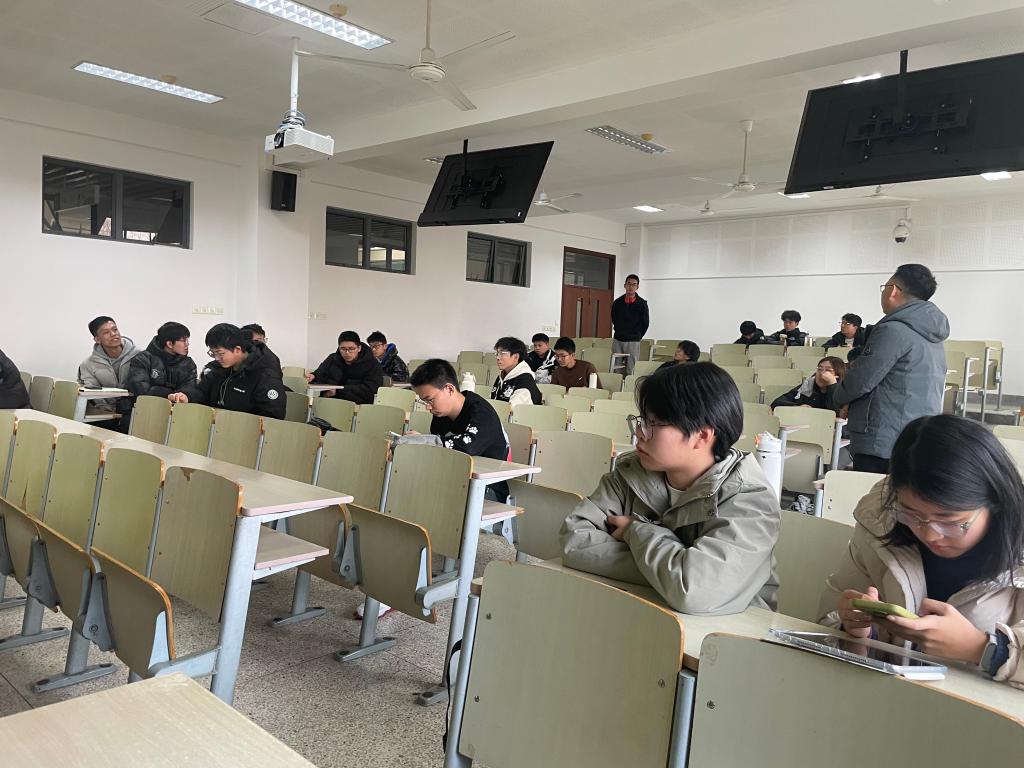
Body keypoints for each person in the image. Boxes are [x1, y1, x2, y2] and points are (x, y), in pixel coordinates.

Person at [818, 415, 1024, 688]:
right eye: (911, 515)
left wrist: (981, 649)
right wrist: (854, 631)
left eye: (950, 521)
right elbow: (826, 622)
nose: (929, 534)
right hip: (885, 700)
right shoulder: (879, 521)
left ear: (995, 502)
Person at [560, 362, 781, 615]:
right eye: (641, 421)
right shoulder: (630, 474)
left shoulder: (750, 499)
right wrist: (671, 573)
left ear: (702, 436)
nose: (639, 433)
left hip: (726, 632)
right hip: (641, 613)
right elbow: (573, 541)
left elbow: (694, 591)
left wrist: (635, 531)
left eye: (653, 424)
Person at [824, 264, 949, 474]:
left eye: (885, 287)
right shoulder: (931, 333)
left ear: (893, 290)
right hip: (914, 435)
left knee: (877, 493)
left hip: (883, 437)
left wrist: (838, 397)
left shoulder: (893, 330)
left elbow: (860, 380)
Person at [410, 358, 511, 501]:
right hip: (454, 480)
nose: (428, 406)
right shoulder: (441, 414)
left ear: (449, 389)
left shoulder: (482, 413)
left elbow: (467, 446)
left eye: (430, 399)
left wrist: (425, 441)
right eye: (424, 401)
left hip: (485, 489)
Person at [169, 323, 285, 420]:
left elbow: (272, 417)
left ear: (237, 349)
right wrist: (187, 396)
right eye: (213, 353)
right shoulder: (220, 368)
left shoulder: (265, 374)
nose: (216, 358)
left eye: (220, 353)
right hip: (217, 428)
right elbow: (202, 391)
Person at [307, 331, 383, 405]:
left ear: (359, 348)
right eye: (343, 349)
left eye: (351, 349)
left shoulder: (373, 364)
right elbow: (320, 374)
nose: (347, 353)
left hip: (356, 405)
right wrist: (313, 376)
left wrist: (338, 391)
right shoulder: (332, 358)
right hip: (329, 401)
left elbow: (370, 390)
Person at [126, 322, 198, 399]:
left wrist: (183, 396)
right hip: (146, 404)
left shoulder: (188, 363)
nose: (187, 344)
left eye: (187, 340)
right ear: (169, 344)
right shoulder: (142, 359)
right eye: (183, 340)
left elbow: (190, 389)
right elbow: (140, 388)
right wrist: (171, 394)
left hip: (178, 405)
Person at [770, 356, 847, 412]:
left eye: (828, 370)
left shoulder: (845, 390)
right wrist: (797, 407)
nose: (822, 373)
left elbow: (837, 412)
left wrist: (832, 385)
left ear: (838, 375)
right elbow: (776, 403)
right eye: (819, 369)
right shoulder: (808, 386)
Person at [611, 274, 649, 375]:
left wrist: (637, 336)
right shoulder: (617, 302)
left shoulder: (642, 304)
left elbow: (645, 323)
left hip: (633, 340)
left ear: (637, 287)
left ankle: (629, 384)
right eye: (629, 284)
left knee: (631, 368)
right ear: (625, 285)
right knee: (615, 367)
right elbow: (614, 318)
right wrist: (619, 330)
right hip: (618, 339)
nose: (631, 287)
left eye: (634, 284)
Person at [491, 337, 542, 407]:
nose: (498, 357)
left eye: (502, 353)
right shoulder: (503, 375)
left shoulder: (525, 379)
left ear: (516, 357)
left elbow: (512, 409)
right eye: (497, 354)